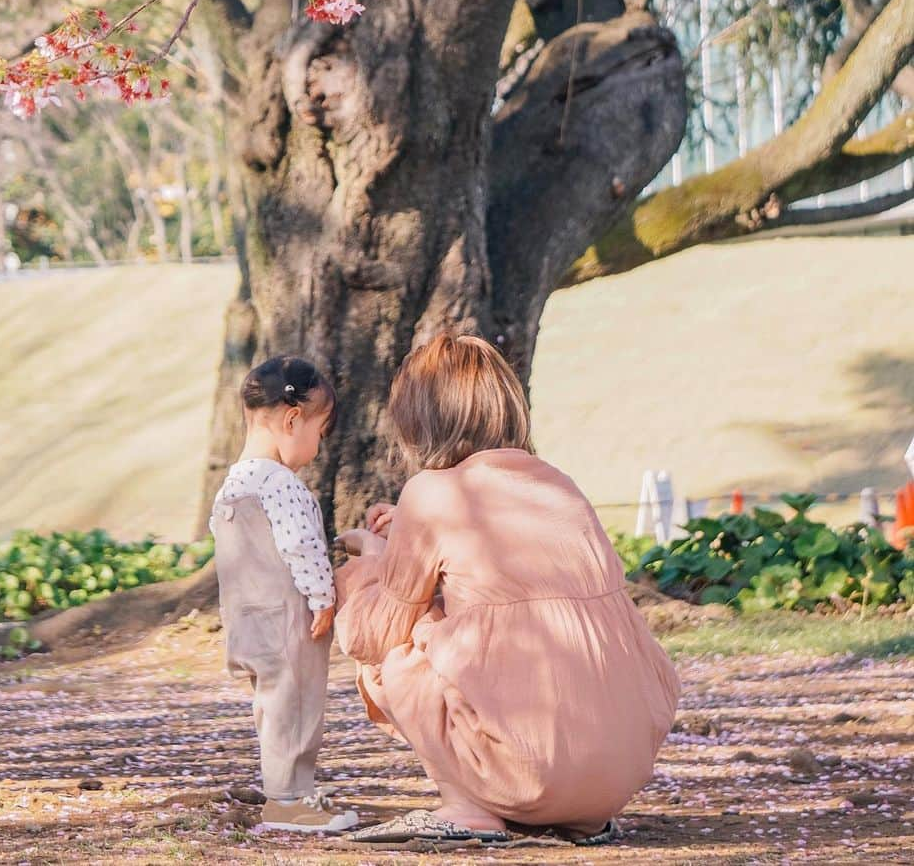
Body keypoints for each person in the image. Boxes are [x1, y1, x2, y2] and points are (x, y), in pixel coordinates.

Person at [335, 333, 681, 846]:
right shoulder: (559, 486)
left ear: (416, 418)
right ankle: (567, 811)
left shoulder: (433, 492)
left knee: (388, 637)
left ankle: (467, 806)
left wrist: (372, 560)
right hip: (616, 777)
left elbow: (371, 635)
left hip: (525, 769)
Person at [210, 355, 358, 834]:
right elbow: (300, 545)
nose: (317, 448)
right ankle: (289, 800)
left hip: (248, 618)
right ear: (292, 419)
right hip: (289, 617)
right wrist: (322, 598)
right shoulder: (283, 484)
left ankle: (285, 789)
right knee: (296, 708)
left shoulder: (232, 484)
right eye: (319, 432)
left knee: (271, 707)